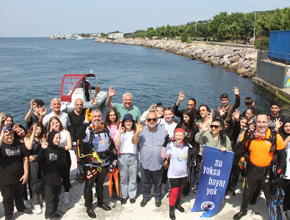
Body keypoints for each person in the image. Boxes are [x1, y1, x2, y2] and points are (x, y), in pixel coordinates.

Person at [233, 114, 286, 220]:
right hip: (252, 169)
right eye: (259, 122)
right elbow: (236, 150)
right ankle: (243, 210)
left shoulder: (275, 136)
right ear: (255, 122)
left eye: (264, 122)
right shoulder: (250, 134)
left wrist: (281, 174)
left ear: (268, 122)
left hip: (268, 170)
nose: (261, 125)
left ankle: (272, 214)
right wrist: (245, 138)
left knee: (269, 194)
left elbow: (282, 158)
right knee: (248, 191)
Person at [76, 109, 117, 218]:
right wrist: (85, 123)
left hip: (104, 163)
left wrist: (113, 159)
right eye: (95, 116)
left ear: (102, 118)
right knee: (89, 186)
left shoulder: (106, 128)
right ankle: (88, 206)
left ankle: (100, 202)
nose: (97, 118)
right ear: (91, 118)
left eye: (99, 116)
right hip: (91, 165)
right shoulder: (88, 130)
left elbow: (111, 144)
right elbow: (78, 135)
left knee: (100, 184)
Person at [132, 112, 168, 208]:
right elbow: (134, 142)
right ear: (146, 121)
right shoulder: (141, 131)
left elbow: (166, 147)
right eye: (149, 120)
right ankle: (146, 197)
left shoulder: (164, 131)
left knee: (158, 183)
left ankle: (157, 197)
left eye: (154, 119)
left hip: (158, 162)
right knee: (145, 182)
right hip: (145, 162)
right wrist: (137, 132)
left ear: (157, 120)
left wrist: (166, 159)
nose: (152, 121)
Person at [0, 126, 32, 220]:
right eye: (6, 134)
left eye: (10, 133)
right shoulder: (1, 145)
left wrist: (26, 174)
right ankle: (9, 215)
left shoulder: (18, 143)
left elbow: (25, 158)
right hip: (5, 179)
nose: (9, 136)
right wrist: (2, 133)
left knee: (20, 194)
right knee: (7, 199)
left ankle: (21, 208)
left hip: (19, 176)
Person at [164, 128, 196, 220]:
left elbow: (192, 156)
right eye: (176, 135)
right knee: (174, 192)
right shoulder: (170, 145)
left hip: (184, 173)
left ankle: (177, 204)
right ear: (174, 135)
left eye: (180, 135)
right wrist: (164, 147)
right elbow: (164, 155)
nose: (178, 137)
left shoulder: (187, 146)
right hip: (173, 173)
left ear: (184, 136)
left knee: (180, 191)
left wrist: (192, 162)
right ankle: (171, 209)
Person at [37, 130, 65, 220]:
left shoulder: (59, 150)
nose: (58, 140)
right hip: (48, 180)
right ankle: (49, 215)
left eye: (59, 138)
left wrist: (61, 177)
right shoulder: (46, 149)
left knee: (57, 197)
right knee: (49, 199)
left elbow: (61, 165)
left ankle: (54, 212)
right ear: (51, 138)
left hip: (57, 178)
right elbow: (38, 160)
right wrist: (42, 149)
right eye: (56, 138)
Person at [68, 98, 97, 182]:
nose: (79, 106)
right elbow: (68, 127)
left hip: (87, 139)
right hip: (76, 140)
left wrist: (96, 105)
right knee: (78, 158)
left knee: (88, 156)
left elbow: (96, 113)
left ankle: (88, 171)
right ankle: (80, 173)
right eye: (77, 105)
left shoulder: (86, 112)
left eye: (81, 105)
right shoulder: (70, 115)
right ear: (75, 105)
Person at [47, 116, 72, 205]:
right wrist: (50, 130)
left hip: (64, 156)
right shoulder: (50, 134)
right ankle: (58, 195)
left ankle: (66, 194)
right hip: (54, 157)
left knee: (65, 175)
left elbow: (69, 146)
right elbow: (48, 145)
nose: (56, 124)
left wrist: (58, 148)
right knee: (57, 176)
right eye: (53, 123)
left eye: (57, 122)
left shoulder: (66, 132)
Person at [115, 114, 138, 204]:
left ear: (133, 122)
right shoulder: (120, 132)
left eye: (130, 121)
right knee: (123, 177)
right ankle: (124, 195)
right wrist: (120, 133)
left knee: (133, 177)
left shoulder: (135, 132)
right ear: (123, 123)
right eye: (126, 121)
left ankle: (132, 195)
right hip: (122, 156)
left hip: (133, 156)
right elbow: (117, 144)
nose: (128, 123)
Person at [24, 122, 46, 214]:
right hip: (33, 164)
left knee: (44, 180)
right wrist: (33, 133)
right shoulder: (27, 138)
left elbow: (45, 150)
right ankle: (36, 202)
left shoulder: (43, 138)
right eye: (36, 129)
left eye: (39, 129)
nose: (38, 131)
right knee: (34, 182)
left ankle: (44, 199)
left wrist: (35, 156)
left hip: (42, 162)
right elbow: (29, 147)